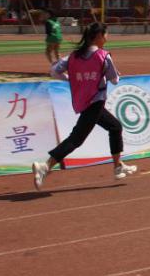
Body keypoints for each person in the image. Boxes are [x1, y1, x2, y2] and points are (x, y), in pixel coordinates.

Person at [31, 23, 137, 190]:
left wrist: (69, 79)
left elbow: (54, 71)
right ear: (99, 36)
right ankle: (45, 166)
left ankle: (118, 166)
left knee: (115, 127)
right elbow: (115, 80)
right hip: (95, 102)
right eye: (106, 34)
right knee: (76, 139)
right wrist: (115, 75)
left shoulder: (74, 56)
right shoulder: (103, 56)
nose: (107, 38)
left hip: (84, 102)